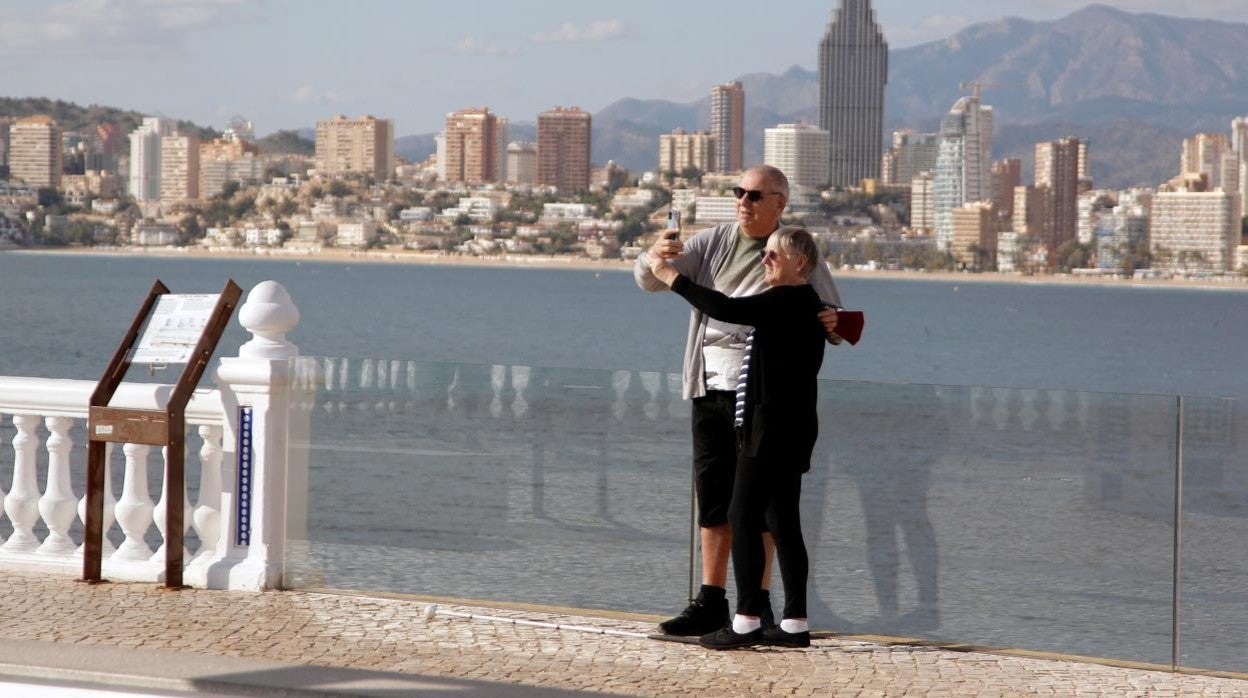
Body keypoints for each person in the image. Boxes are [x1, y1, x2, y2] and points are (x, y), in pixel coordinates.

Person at [634, 165, 842, 637]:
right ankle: (714, 600)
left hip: (760, 397)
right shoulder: (714, 241)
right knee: (715, 500)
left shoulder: (795, 252)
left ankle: (757, 608)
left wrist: (832, 322)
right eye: (739, 193)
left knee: (760, 510)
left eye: (754, 195)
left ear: (779, 204)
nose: (743, 202)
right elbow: (647, 281)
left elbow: (831, 313)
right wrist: (653, 256)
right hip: (709, 387)